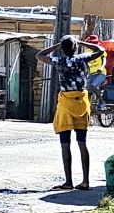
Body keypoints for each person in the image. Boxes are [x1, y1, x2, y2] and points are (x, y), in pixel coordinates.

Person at [37, 34, 105, 191]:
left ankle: (68, 182)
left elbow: (40, 55)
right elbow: (100, 50)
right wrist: (80, 42)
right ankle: (85, 181)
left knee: (65, 143)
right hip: (81, 102)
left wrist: (58, 45)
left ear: (63, 49)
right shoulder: (82, 58)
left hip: (65, 103)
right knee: (82, 142)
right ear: (75, 48)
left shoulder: (59, 61)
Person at [85, 34, 107, 108]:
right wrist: (87, 70)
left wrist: (101, 67)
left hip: (101, 73)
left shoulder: (100, 50)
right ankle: (88, 105)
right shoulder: (87, 51)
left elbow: (104, 60)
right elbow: (87, 62)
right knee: (88, 90)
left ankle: (102, 101)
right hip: (92, 73)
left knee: (93, 86)